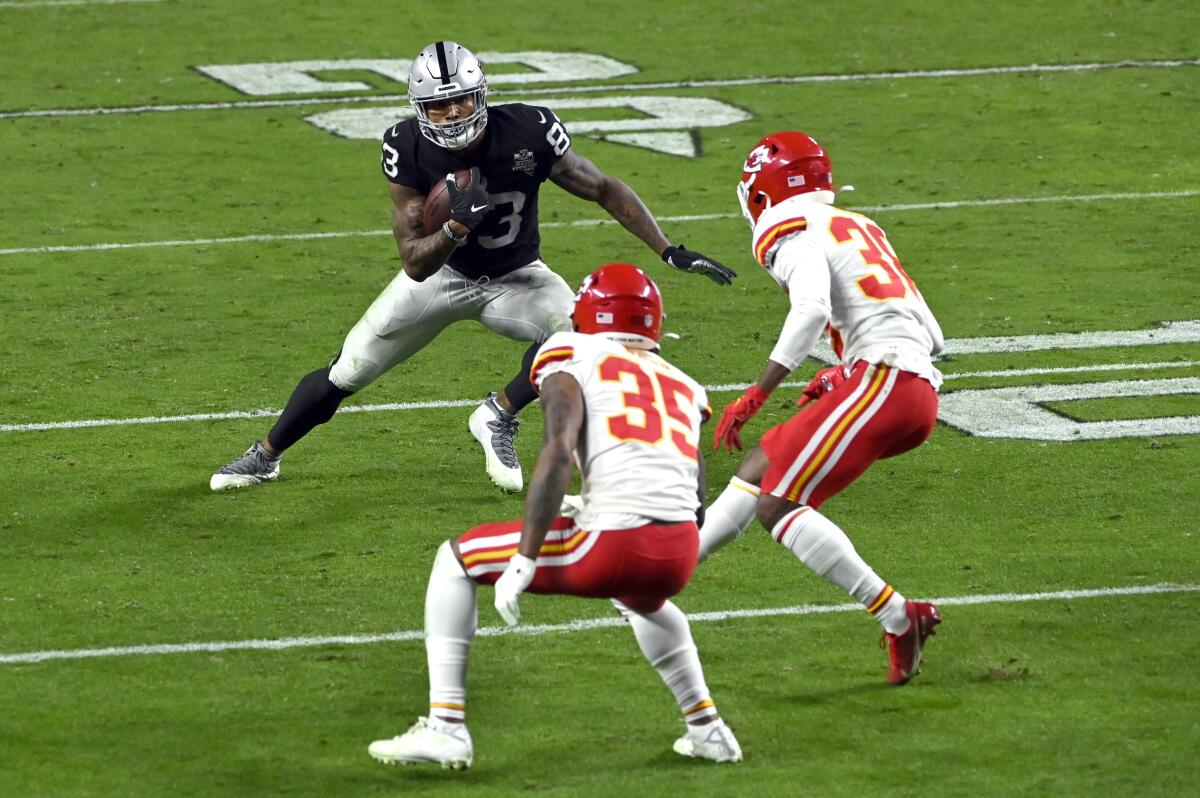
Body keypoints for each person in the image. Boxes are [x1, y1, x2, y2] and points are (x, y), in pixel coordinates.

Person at [210, 40, 735, 493]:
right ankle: (266, 454)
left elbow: (600, 187)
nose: (454, 113)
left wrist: (667, 248)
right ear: (420, 110)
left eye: (462, 98)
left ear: (481, 94)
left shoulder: (528, 129)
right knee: (348, 371)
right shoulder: (406, 147)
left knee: (585, 334)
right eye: (439, 106)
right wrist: (454, 229)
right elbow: (415, 264)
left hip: (518, 277)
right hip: (443, 278)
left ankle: (497, 414)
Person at [367, 263, 742, 769]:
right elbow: (693, 489)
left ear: (588, 314)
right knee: (644, 599)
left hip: (615, 542)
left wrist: (527, 553)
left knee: (454, 561)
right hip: (678, 550)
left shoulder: (572, 351)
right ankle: (708, 729)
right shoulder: (682, 383)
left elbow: (559, 449)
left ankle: (446, 727)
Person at [703, 131, 945, 685]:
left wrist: (759, 391)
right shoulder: (860, 225)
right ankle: (670, 575)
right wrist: (840, 370)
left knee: (778, 505)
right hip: (906, 385)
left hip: (884, 380)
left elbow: (811, 308)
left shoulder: (784, 229)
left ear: (760, 192)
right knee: (759, 468)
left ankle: (897, 614)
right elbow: (932, 334)